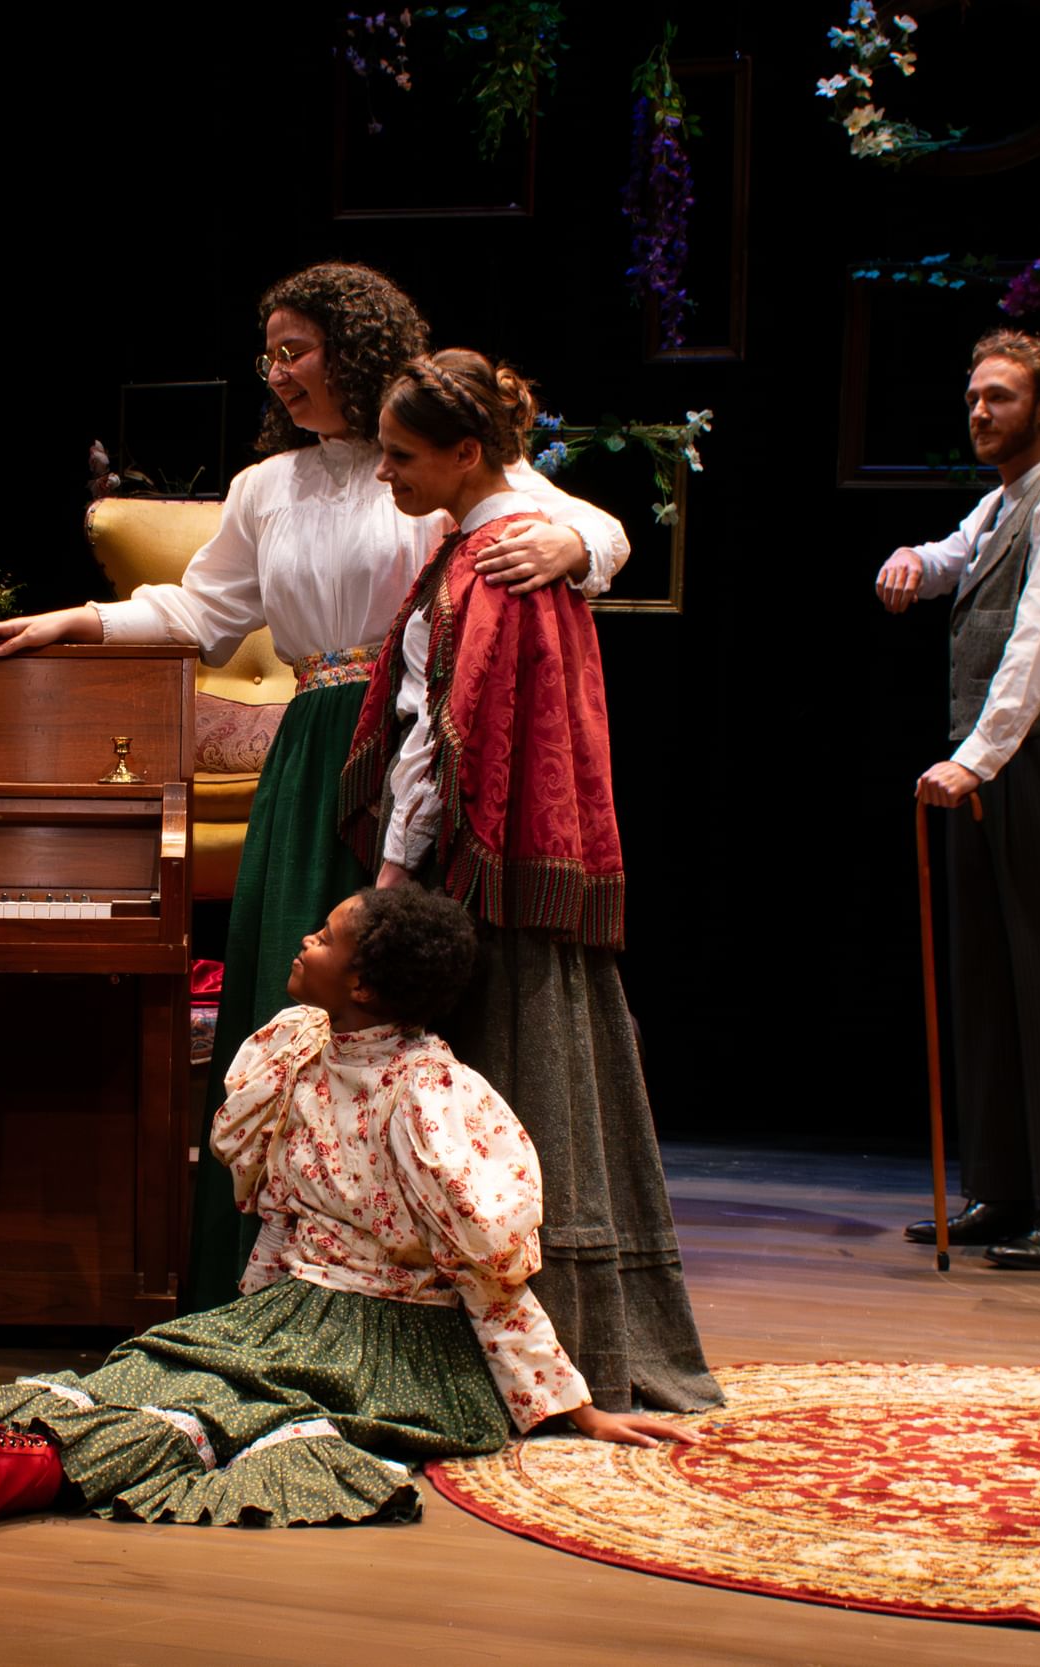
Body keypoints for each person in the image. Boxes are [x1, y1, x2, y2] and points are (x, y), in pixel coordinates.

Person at [0, 262, 629, 1313]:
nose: (275, 374)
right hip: (316, 747)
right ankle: (265, 1283)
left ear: (356, 350)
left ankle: (407, 1280)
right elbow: (195, 613)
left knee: (398, 1008)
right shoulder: (263, 488)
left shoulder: (427, 456)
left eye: (294, 350)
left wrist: (573, 538)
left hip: (415, 741)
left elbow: (581, 527)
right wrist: (73, 621)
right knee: (292, 990)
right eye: (267, 354)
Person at [0, 885, 700, 1530]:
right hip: (300, 1311)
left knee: (225, 1412)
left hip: (395, 1344)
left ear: (365, 986)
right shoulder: (297, 1053)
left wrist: (570, 1405)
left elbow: (487, 1273)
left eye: (324, 935)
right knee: (162, 1367)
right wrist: (249, 1322)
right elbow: (282, 1218)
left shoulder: (433, 1099)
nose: (305, 939)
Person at [337, 349, 720, 1413]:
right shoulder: (498, 539)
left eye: (402, 457)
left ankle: (488, 1358)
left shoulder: (489, 562)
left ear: (466, 453)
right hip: (538, 864)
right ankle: (576, 1349)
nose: (387, 476)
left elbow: (434, 741)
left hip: (480, 870)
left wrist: (391, 876)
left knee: (491, 1102)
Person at [875, 330, 1040, 1271]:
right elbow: (948, 559)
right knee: (986, 979)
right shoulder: (1004, 501)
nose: (981, 412)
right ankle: (1006, 1188)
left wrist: (975, 756)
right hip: (992, 766)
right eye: (975, 396)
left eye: (1001, 398)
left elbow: (1039, 643)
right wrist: (908, 557)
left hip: (1039, 760)